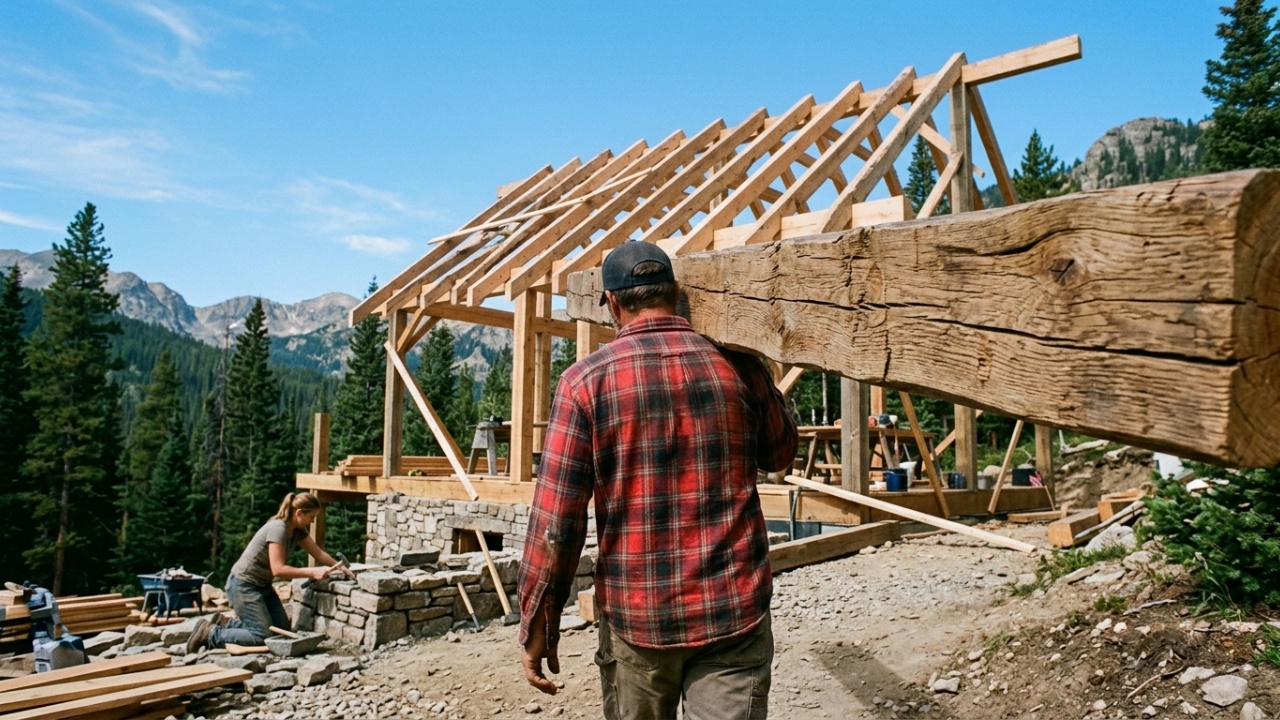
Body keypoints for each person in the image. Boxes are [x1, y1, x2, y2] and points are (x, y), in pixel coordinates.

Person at [518, 241, 798, 719]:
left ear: (611, 302)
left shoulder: (585, 382)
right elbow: (781, 454)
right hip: (733, 608)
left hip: (638, 618)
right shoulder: (739, 365)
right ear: (675, 292)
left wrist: (539, 618)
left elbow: (557, 521)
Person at [187, 492, 354, 652]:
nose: (311, 522)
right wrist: (312, 572)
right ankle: (210, 633)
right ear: (299, 513)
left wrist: (340, 566)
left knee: (281, 631)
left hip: (262, 585)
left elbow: (318, 553)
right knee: (263, 636)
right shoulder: (278, 529)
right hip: (243, 585)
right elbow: (278, 569)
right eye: (311, 517)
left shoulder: (297, 530)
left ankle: (227, 624)